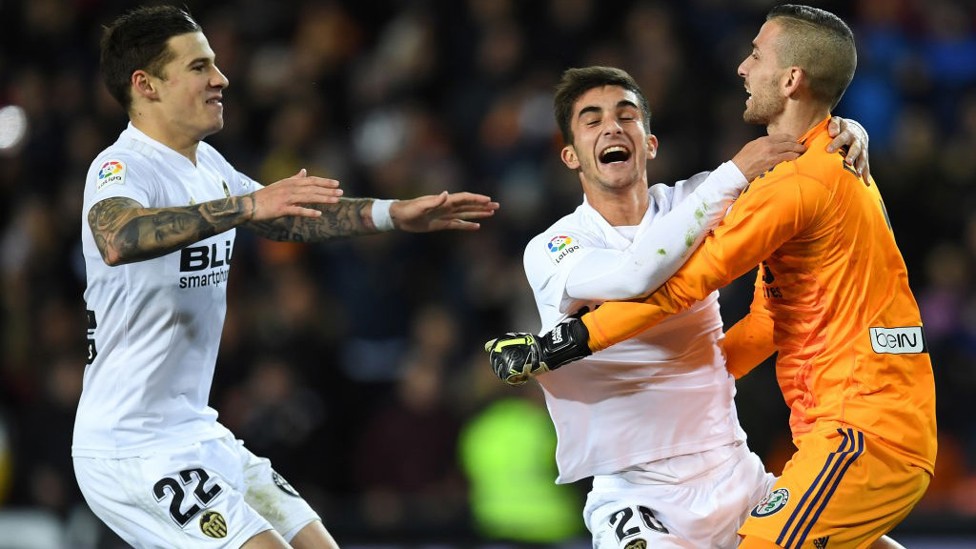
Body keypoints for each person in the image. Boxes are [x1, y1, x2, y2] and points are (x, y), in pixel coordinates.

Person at [487, 5, 934, 548]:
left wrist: (840, 129)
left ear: (650, 142)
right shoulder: (554, 247)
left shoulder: (706, 199)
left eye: (626, 115)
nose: (612, 127)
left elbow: (797, 182)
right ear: (570, 156)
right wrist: (814, 137)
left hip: (734, 470)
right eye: (592, 120)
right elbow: (636, 274)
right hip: (641, 492)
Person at [74, 5, 498, 548]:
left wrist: (394, 213)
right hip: (129, 447)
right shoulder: (122, 166)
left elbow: (287, 220)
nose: (220, 78)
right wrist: (247, 205)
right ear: (146, 85)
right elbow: (118, 237)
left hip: (198, 433)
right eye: (199, 66)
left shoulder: (208, 166)